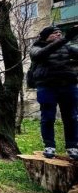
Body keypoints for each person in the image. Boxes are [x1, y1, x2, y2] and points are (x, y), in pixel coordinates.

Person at [30, 25, 78, 160]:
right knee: (47, 117)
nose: (58, 35)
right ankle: (49, 146)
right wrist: (67, 38)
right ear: (46, 36)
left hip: (68, 86)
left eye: (60, 33)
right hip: (47, 87)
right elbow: (40, 55)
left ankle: (72, 146)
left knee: (71, 117)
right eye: (55, 33)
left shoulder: (67, 48)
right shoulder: (36, 47)